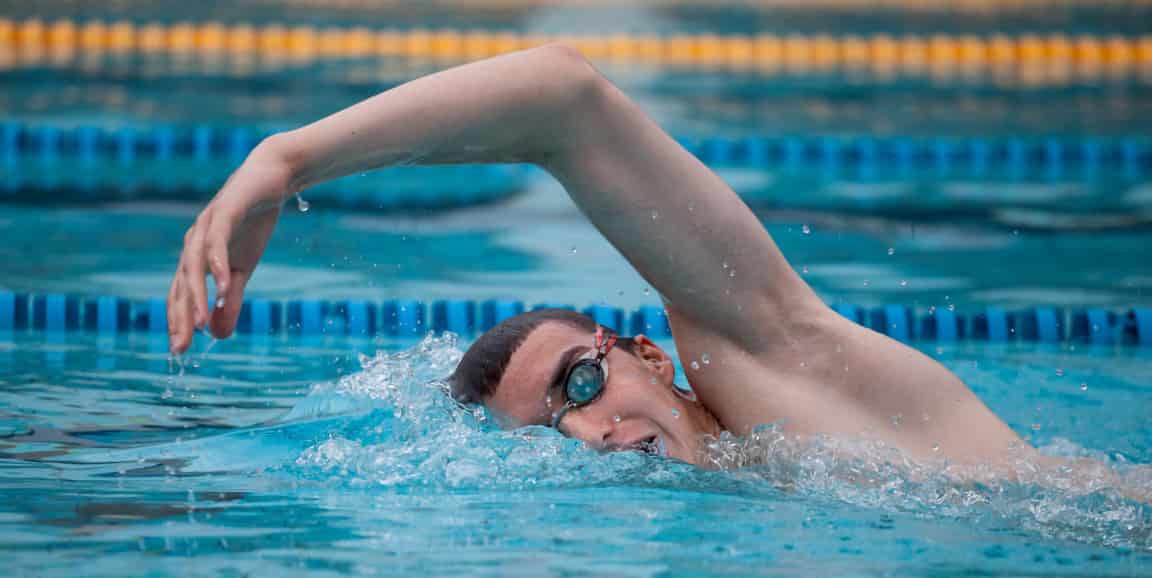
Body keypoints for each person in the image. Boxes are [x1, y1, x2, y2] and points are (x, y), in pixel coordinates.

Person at [167, 43, 1024, 468]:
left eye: (580, 383)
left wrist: (285, 161)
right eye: (553, 430)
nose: (588, 432)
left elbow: (560, 101)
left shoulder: (783, 368)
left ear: (648, 355)